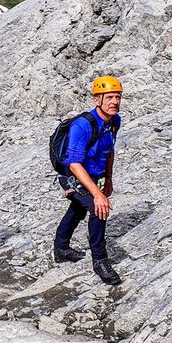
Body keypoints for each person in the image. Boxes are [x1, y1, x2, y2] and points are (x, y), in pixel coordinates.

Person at [53, 76, 123, 285]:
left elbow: (109, 151)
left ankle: (61, 248)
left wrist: (108, 178)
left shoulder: (114, 122)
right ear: (96, 100)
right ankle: (100, 261)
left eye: (117, 97)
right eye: (109, 97)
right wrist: (98, 194)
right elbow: (74, 164)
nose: (114, 102)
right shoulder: (82, 126)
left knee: (77, 209)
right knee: (98, 208)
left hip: (94, 175)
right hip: (73, 176)